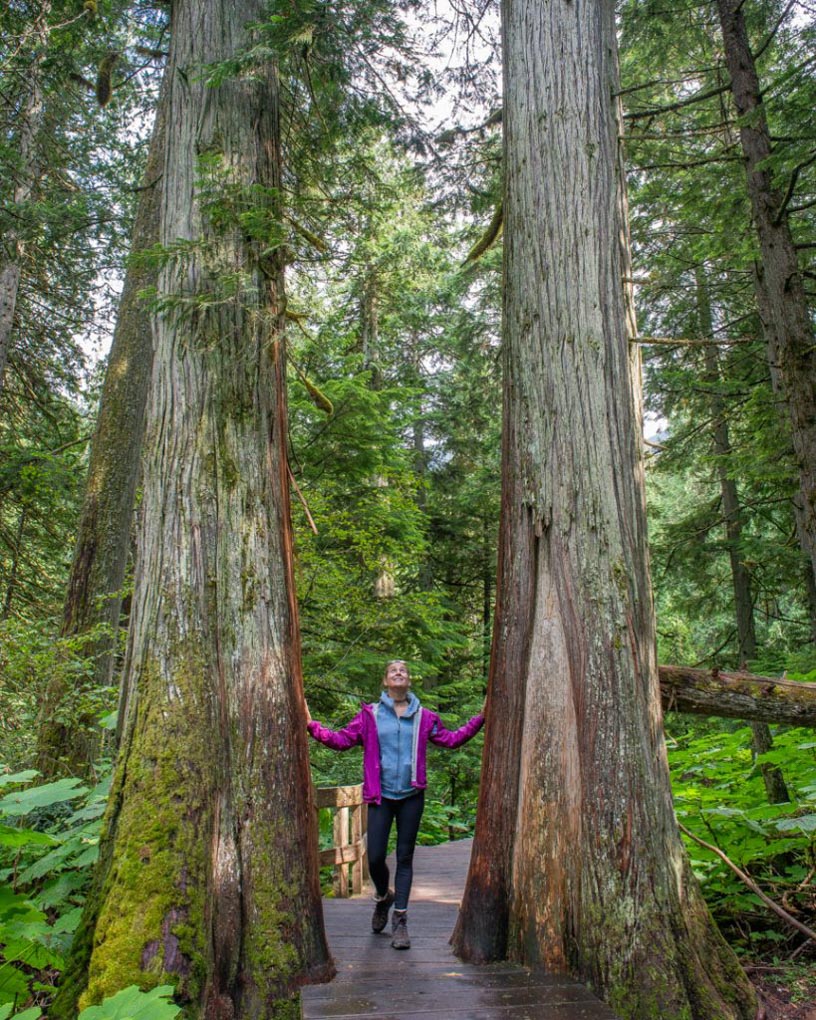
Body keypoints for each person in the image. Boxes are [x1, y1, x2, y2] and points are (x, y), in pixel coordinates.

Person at [304, 659, 485, 950]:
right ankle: (382, 896)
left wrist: (481, 718)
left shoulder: (425, 717)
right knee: (375, 857)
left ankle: (400, 920)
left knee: (404, 857)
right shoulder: (370, 716)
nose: (398, 673)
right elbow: (341, 741)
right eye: (392, 671)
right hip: (381, 796)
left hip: (411, 796)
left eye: (403, 670)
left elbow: (451, 740)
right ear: (385, 682)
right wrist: (311, 725)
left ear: (408, 680)